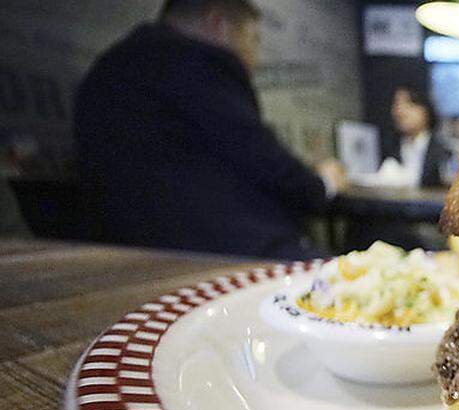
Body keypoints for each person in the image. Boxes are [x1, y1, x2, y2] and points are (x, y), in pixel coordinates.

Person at [74, 0, 344, 259]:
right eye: (253, 40)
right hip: (224, 257)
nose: (255, 59)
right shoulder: (196, 64)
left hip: (129, 252)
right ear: (219, 23)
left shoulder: (112, 66)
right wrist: (324, 184)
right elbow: (268, 164)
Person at [386, 88, 451, 189]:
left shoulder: (443, 151)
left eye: (409, 103)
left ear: (426, 110)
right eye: (396, 104)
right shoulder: (389, 147)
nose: (400, 111)